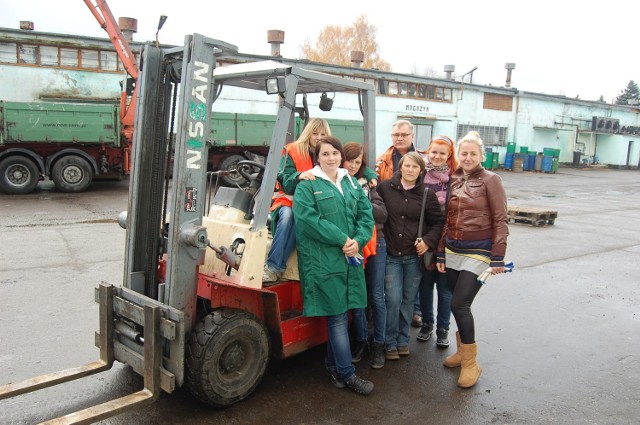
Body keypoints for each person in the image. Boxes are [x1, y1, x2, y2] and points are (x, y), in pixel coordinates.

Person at [292, 136, 375, 395]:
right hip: (324, 261)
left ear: (341, 155)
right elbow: (308, 220)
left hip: (350, 258)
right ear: (317, 157)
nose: (331, 158)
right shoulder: (308, 184)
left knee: (343, 312)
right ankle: (348, 374)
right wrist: (343, 240)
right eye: (325, 154)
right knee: (339, 317)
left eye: (335, 153)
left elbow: (366, 215)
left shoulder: (350, 181)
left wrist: (359, 240)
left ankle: (332, 366)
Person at [436, 131, 509, 389]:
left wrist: (498, 256)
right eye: (464, 153)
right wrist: (441, 250)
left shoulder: (492, 180)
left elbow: (501, 218)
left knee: (460, 304)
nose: (467, 158)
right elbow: (448, 219)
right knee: (457, 304)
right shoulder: (454, 179)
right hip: (454, 250)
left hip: (479, 252)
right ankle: (461, 350)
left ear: (481, 156)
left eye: (472, 154)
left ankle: (471, 363)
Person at [377, 152, 444, 360]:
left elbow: (438, 223)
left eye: (415, 167)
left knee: (407, 301)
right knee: (393, 300)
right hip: (391, 256)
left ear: (421, 171)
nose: (410, 170)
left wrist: (427, 241)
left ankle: (403, 340)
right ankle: (389, 342)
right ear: (401, 167)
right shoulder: (385, 188)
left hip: (414, 258)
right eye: (406, 165)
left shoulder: (427, 194)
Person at [263, 118, 331, 283]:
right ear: (308, 133)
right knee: (289, 216)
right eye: (315, 133)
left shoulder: (330, 152)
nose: (319, 137)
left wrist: (370, 174)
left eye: (323, 134)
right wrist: (299, 176)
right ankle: (274, 266)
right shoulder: (292, 150)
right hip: (288, 201)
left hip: (315, 204)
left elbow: (353, 163)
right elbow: (285, 180)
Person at [342, 142, 387, 369]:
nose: (352, 165)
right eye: (349, 160)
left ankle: (379, 344)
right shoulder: (336, 182)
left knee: (376, 296)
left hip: (374, 243)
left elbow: (382, 213)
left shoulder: (368, 185)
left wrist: (363, 202)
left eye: (357, 162)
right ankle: (361, 342)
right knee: (357, 298)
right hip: (352, 246)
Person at [376, 119, 425, 328]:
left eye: (404, 134)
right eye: (396, 135)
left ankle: (416, 309)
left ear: (412, 136)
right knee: (395, 277)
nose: (400, 138)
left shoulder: (423, 159)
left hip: (415, 218)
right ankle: (397, 319)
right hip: (392, 220)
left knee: (414, 273)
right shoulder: (383, 160)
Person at [413, 136, 458, 347]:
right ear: (428, 152)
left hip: (448, 240)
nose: (437, 156)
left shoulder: (456, 179)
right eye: (434, 152)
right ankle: (427, 324)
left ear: (449, 156)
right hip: (425, 238)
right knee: (425, 285)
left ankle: (443, 329)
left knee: (445, 288)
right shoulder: (421, 176)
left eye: (442, 153)